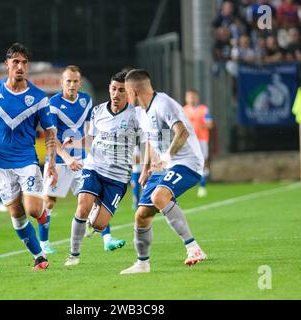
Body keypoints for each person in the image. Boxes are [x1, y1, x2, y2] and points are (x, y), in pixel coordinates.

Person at [0, 43, 58, 271]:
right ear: (7, 65)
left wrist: (51, 162)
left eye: (24, 63)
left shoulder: (39, 97)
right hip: (0, 162)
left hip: (26, 160)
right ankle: (40, 257)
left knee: (32, 209)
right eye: (16, 62)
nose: (20, 67)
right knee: (16, 213)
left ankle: (43, 217)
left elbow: (50, 132)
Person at [120, 69, 207, 275]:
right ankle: (142, 264)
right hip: (164, 165)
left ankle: (193, 248)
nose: (125, 96)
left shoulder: (163, 103)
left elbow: (182, 132)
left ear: (133, 90)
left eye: (125, 91)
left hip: (187, 162)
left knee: (160, 196)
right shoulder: (141, 112)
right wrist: (145, 168)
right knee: (141, 215)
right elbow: (151, 140)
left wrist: (166, 157)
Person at [41, 65, 126, 253]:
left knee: (95, 198)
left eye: (75, 81)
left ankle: (107, 239)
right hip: (60, 160)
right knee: (49, 201)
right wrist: (66, 158)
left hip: (83, 160)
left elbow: (90, 131)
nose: (71, 85)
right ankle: (44, 243)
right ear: (62, 82)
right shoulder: (52, 104)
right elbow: (52, 137)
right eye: (68, 81)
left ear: (80, 83)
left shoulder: (86, 101)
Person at [64, 71, 140, 266]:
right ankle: (73, 255)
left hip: (118, 177)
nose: (116, 94)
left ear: (128, 92)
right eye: (113, 89)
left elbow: (149, 140)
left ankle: (95, 215)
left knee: (100, 224)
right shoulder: (98, 111)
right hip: (94, 168)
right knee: (82, 206)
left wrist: (151, 163)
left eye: (121, 90)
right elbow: (90, 139)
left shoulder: (136, 115)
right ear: (109, 88)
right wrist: (74, 143)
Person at [183, 89, 214, 198]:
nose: (191, 98)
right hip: (188, 141)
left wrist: (200, 125)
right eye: (189, 96)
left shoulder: (203, 109)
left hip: (201, 140)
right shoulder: (183, 110)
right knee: (186, 162)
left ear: (197, 98)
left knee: (203, 162)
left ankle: (202, 186)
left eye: (193, 96)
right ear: (186, 98)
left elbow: (210, 125)